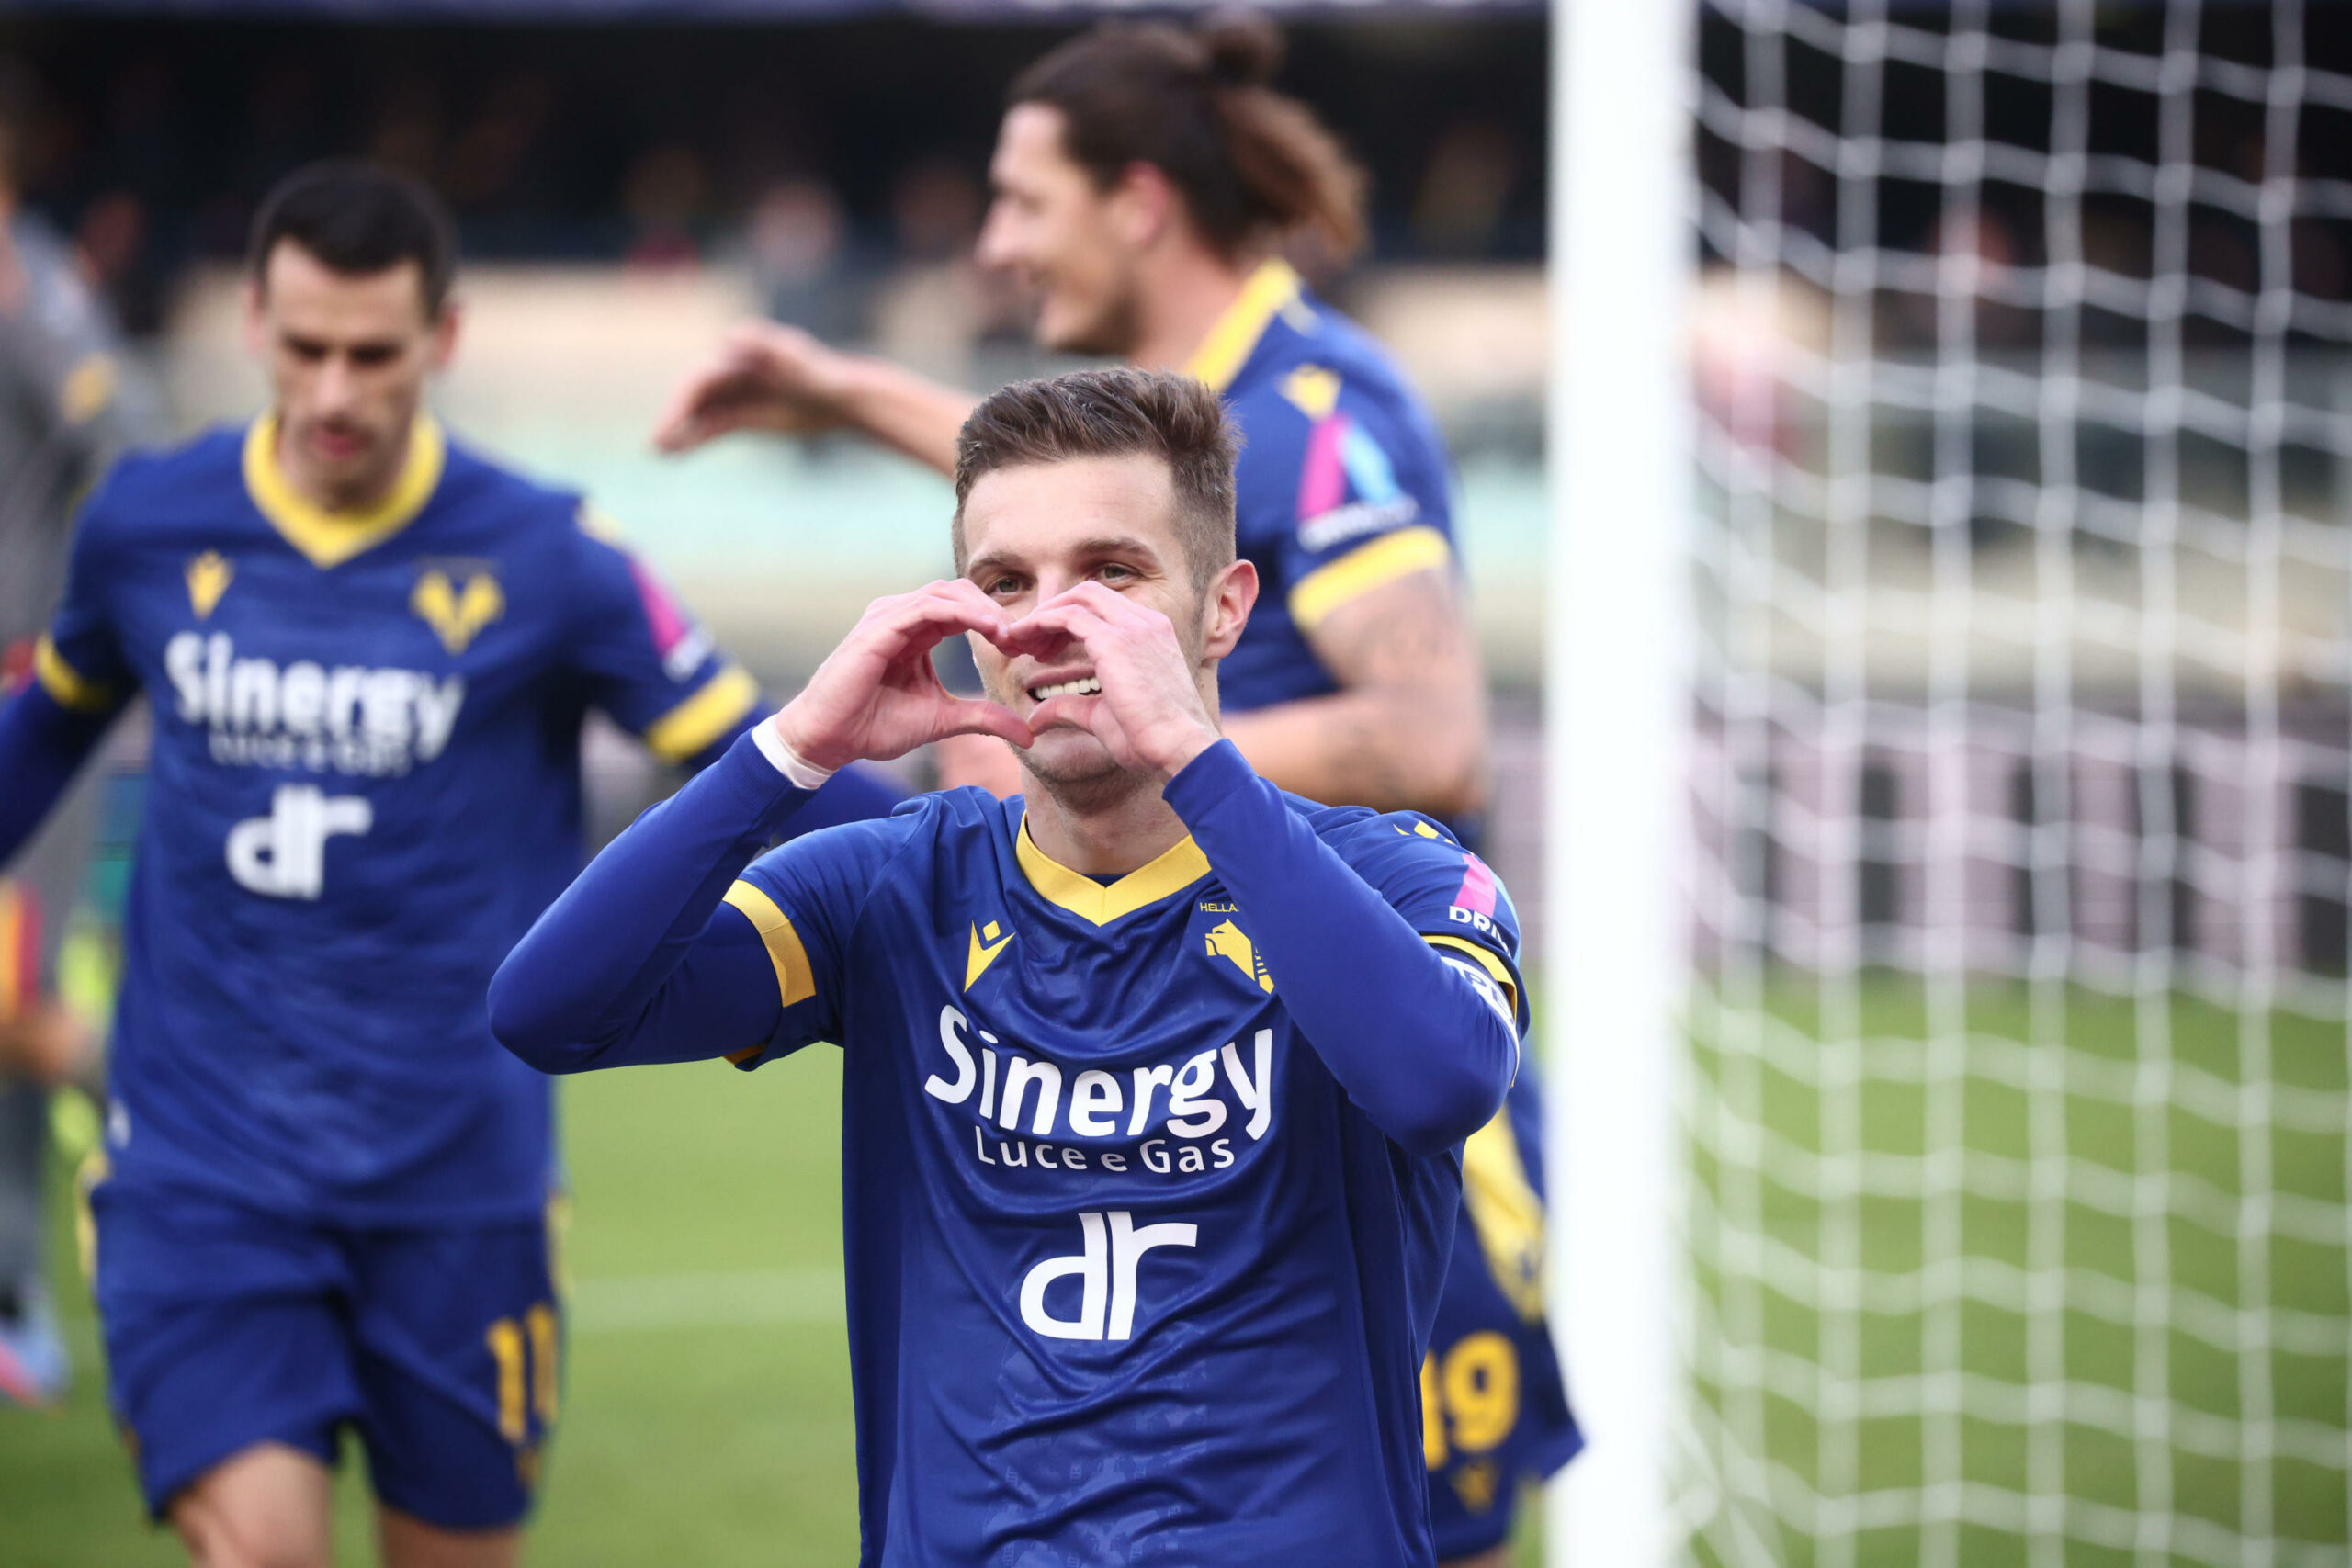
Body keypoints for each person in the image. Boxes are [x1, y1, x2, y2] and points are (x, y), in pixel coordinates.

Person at [650, 16, 1577, 1561]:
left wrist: (1135, 753)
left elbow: (1434, 732)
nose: (998, 245)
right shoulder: (1185, 418)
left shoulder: (1321, 411)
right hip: (1173, 1051)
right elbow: (1050, 500)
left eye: (1024, 201)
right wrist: (841, 391)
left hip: (1349, 1088)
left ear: (1136, 203)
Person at [0, 159, 893, 1566]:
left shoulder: (549, 556)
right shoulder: (146, 527)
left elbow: (748, 757)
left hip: (458, 1176)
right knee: (266, 1550)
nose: (338, 391)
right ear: (253, 324)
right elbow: (40, 742)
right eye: (304, 349)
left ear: (444, 339)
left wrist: (962, 859)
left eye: (374, 353)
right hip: (204, 1164)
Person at [491, 368, 1525, 1564]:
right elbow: (548, 1012)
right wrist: (788, 753)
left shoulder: (1402, 880)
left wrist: (1193, 755)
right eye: (1003, 585)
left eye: (1114, 575)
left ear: (1225, 609)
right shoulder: (887, 888)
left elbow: (1441, 1083)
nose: (1051, 622)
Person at [0, 54, 166, 1408]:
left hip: (22, 706)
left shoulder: (31, 285)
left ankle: (196, 1109)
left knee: (9, 1008)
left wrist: (98, 635)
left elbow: (132, 446)